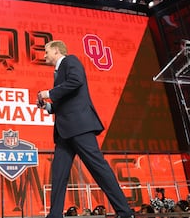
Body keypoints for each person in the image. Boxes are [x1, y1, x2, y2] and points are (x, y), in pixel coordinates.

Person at [36, 40, 134, 218]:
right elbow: (67, 100)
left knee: (98, 169)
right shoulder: (58, 72)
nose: (44, 55)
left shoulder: (70, 60)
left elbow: (76, 81)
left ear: (57, 50)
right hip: (64, 133)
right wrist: (48, 107)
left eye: (46, 52)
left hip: (79, 128)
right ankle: (54, 215)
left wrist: (49, 93)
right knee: (58, 175)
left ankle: (125, 212)